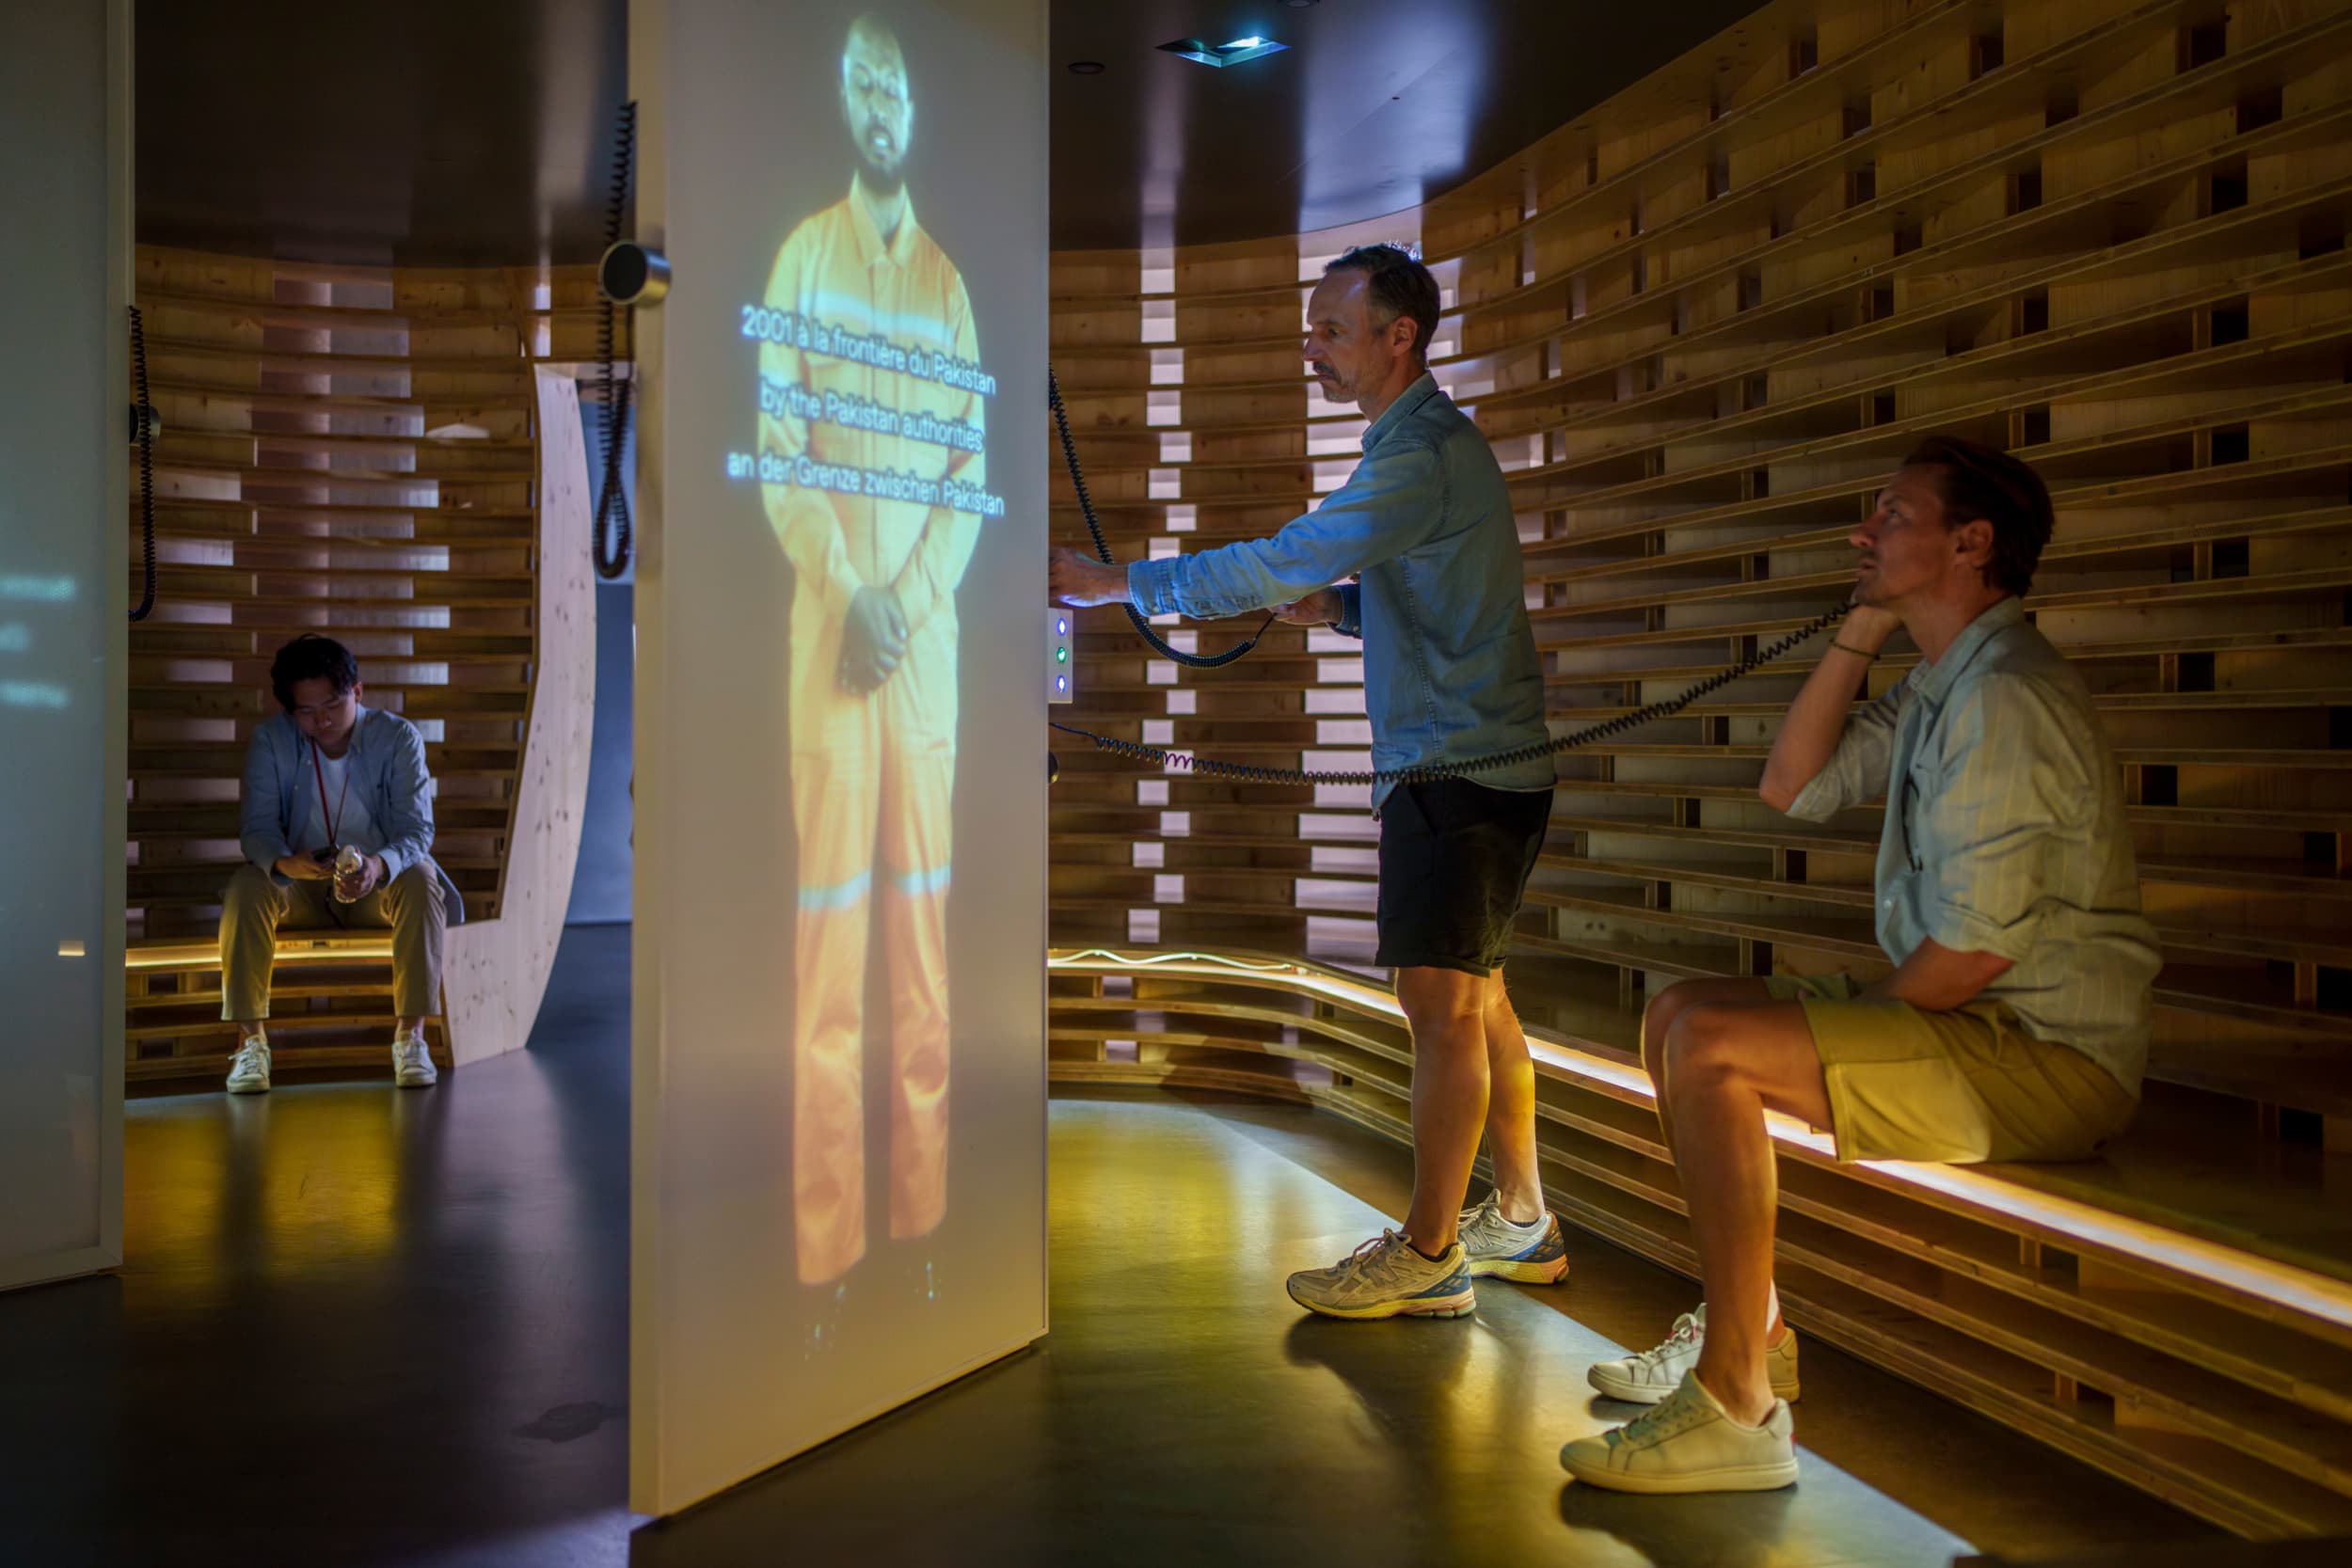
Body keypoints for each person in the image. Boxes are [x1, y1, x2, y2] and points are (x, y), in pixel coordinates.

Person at [1561, 438, 2160, 1494]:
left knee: (1709, 1046)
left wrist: (1848, 1032)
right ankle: (1756, 1328)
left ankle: (1738, 1399)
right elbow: (1793, 785)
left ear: (1969, 542)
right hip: (1977, 1026)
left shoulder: (2004, 698)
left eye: (1890, 514)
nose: (1860, 532)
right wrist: (1861, 624)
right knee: (1678, 1011)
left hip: (2046, 1059)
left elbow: (1974, 950)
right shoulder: (1944, 683)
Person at [1050, 242, 1572, 1320]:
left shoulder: (1416, 455)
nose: (1310, 348)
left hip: (1456, 770)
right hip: (1474, 765)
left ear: (1399, 338)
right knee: (1478, 1001)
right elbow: (1435, 593)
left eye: (1330, 330)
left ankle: (1431, 1252)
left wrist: (1116, 584)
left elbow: (1279, 557)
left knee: (1440, 1006)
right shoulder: (1416, 447)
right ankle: (1519, 1218)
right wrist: (1340, 611)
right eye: (1310, 328)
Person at [757, 13, 984, 1286]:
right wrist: (855, 595)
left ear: (914, 105)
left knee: (925, 957)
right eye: (862, 84)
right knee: (827, 965)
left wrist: (903, 598)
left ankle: (928, 1228)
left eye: (895, 83)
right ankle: (829, 1250)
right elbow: (782, 454)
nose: (880, 103)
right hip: (834, 658)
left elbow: (968, 471)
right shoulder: (801, 259)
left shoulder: (948, 281)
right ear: (844, 105)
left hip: (922, 657)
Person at [221, 634, 461, 1094]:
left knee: (422, 878)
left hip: (377, 885)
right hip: (301, 885)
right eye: (305, 710)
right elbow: (256, 830)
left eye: (332, 703)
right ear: (290, 709)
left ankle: (411, 1038)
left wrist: (377, 865)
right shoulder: (273, 740)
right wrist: (286, 864)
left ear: (358, 691)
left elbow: (417, 831)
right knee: (246, 887)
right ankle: (251, 1045)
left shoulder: (397, 737)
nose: (321, 720)